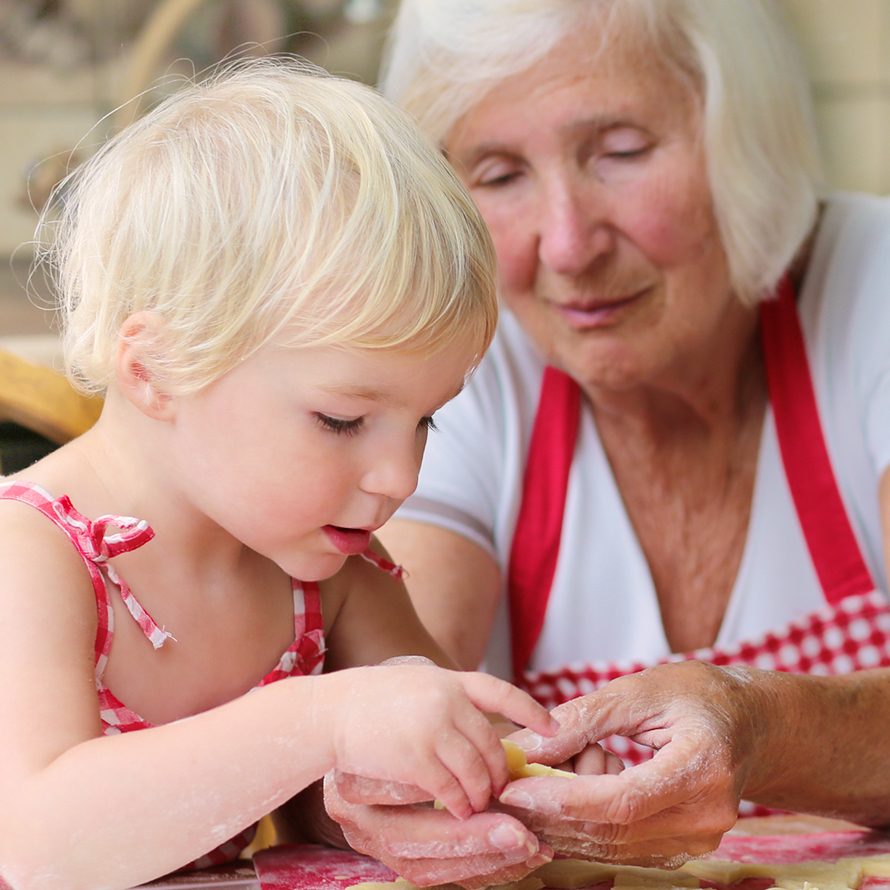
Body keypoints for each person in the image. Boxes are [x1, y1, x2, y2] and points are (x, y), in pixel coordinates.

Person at [318, 0, 890, 883]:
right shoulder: (456, 366)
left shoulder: (873, 286)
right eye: (499, 174)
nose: (568, 246)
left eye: (620, 153)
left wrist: (761, 726)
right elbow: (392, 683)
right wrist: (387, 782)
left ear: (745, 136)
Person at [0, 60, 561, 890]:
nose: (400, 476)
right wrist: (320, 719)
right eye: (342, 420)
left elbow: (369, 799)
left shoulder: (327, 570)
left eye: (426, 420)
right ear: (156, 369)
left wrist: (526, 778)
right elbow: (39, 844)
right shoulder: (30, 555)